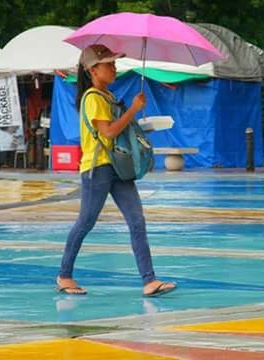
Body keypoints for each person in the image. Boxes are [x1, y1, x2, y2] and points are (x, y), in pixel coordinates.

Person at [57, 44, 176, 297]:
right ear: (92, 70)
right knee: (86, 221)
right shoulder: (93, 98)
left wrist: (136, 117)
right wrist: (133, 109)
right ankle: (64, 275)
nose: (113, 68)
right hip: (98, 168)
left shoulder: (109, 96)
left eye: (113, 63)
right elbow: (109, 131)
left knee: (137, 221)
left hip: (118, 166)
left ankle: (149, 280)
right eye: (108, 64)